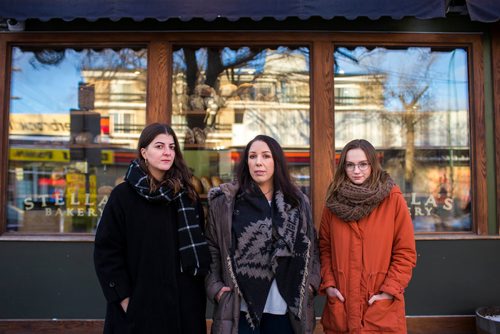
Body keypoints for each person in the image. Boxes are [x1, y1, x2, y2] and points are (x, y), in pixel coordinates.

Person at [94, 123, 210, 334]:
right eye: (159, 146)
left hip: (184, 310)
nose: (167, 152)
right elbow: (106, 252)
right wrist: (124, 299)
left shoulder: (187, 196)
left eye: (172, 147)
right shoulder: (123, 196)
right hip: (139, 310)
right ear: (144, 152)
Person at [205, 134, 320, 334]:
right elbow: (212, 249)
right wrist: (216, 289)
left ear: (276, 162)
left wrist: (310, 286)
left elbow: (312, 249)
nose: (259, 162)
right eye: (252, 156)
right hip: (239, 309)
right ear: (246, 162)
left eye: (266, 156)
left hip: (286, 308)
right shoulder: (226, 203)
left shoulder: (297, 202)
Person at [319, 139, 417, 334]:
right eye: (350, 165)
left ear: (373, 165)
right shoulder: (333, 203)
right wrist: (329, 284)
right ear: (343, 167)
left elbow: (405, 252)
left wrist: (389, 291)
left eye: (363, 164)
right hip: (342, 305)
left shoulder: (392, 199)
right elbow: (324, 248)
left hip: (379, 308)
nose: (357, 171)